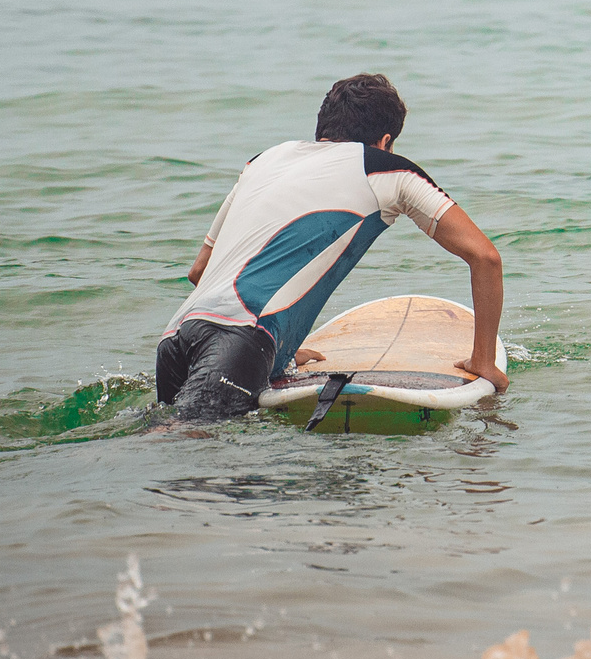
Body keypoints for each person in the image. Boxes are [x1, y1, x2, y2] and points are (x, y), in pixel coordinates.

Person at [156, 72, 507, 420]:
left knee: (181, 447)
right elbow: (486, 257)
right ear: (386, 141)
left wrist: (278, 352)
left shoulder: (263, 160)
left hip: (177, 336)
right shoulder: (386, 171)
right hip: (239, 342)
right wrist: (483, 362)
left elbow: (199, 271)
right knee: (186, 442)